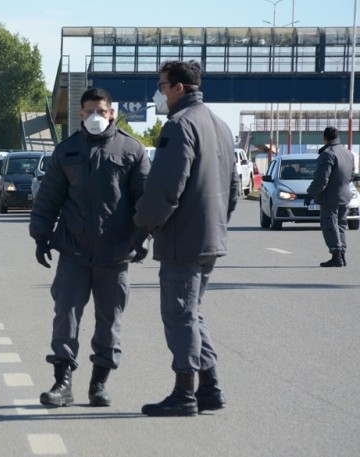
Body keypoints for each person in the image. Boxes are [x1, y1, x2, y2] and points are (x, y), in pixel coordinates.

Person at [29, 87, 151, 408]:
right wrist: (41, 236)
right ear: (80, 115)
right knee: (65, 315)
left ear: (111, 112)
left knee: (110, 320)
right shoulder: (66, 152)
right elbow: (48, 199)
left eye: (101, 110)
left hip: (115, 253)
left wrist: (142, 236)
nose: (95, 117)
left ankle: (99, 384)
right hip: (74, 251)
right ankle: (62, 383)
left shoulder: (132, 150)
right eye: (89, 111)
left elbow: (145, 201)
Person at [134, 60, 239, 416]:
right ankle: (210, 388)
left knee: (179, 315)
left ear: (179, 87)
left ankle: (185, 394)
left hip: (183, 239)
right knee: (191, 313)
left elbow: (165, 188)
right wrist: (216, 224)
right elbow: (234, 189)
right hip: (210, 238)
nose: (159, 93)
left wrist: (142, 228)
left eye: (162, 86)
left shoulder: (179, 126)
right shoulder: (220, 126)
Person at [306, 126, 355, 267]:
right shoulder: (348, 153)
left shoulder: (328, 154)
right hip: (344, 195)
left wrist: (311, 193)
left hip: (330, 197)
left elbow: (321, 180)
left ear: (325, 138)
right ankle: (342, 255)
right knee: (340, 225)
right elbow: (350, 175)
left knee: (329, 225)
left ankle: (336, 255)